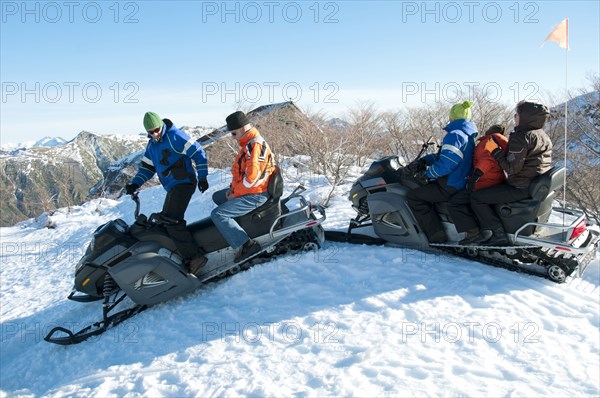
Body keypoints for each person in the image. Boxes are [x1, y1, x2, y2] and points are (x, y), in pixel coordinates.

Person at [125, 111, 209, 273]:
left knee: (171, 220)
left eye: (156, 130)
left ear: (161, 125)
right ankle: (179, 255)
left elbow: (199, 153)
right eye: (150, 132)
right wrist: (135, 184)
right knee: (163, 221)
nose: (154, 134)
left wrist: (203, 177)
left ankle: (195, 257)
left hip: (184, 183)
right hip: (172, 187)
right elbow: (147, 169)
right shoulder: (152, 145)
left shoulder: (175, 137)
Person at [469, 101, 553, 245]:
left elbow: (511, 168)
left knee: (476, 198)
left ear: (526, 117)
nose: (515, 117)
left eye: (517, 115)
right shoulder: (541, 135)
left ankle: (498, 235)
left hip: (519, 187)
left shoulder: (521, 137)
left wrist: (494, 151)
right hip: (531, 184)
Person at [407, 100, 478, 243]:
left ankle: (436, 236)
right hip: (460, 180)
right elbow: (445, 156)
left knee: (414, 197)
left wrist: (427, 174)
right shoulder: (466, 134)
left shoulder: (455, 135)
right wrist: (425, 161)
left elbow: (447, 164)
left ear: (452, 116)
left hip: (451, 184)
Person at [211, 111, 275, 263]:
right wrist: (232, 189)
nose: (232, 137)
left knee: (218, 214)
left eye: (233, 133)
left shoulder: (254, 147)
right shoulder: (249, 143)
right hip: (252, 190)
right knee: (217, 197)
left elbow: (252, 179)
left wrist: (235, 194)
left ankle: (247, 244)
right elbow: (242, 174)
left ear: (244, 128)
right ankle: (235, 227)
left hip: (257, 194)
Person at [447, 124, 509, 244]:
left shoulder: (490, 140)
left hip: (484, 181)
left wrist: (475, 176)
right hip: (493, 180)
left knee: (455, 202)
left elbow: (488, 159)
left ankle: (474, 233)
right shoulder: (502, 141)